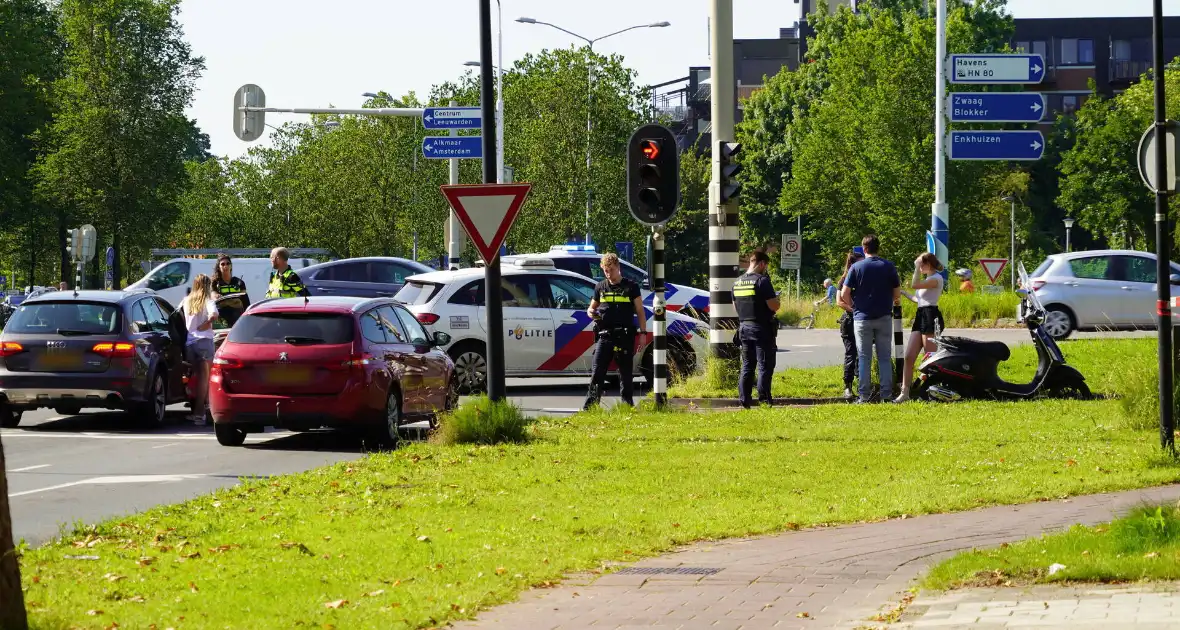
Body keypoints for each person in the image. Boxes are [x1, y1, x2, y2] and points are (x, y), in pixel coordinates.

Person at [838, 235, 901, 404]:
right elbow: (896, 294)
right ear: (878, 248)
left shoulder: (856, 267)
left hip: (862, 319)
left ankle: (864, 396)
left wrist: (855, 307)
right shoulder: (888, 267)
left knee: (864, 357)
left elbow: (844, 294)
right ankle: (886, 395)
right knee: (885, 357)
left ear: (864, 249)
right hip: (884, 317)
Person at [583, 252, 646, 410]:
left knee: (625, 373)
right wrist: (590, 312)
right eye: (605, 270)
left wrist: (643, 334)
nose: (608, 273)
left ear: (618, 267)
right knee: (597, 371)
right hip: (605, 335)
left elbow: (640, 311)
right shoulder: (600, 287)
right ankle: (590, 407)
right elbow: (591, 308)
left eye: (610, 269)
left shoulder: (631, 287)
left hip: (624, 335)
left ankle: (627, 405)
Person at [894, 253, 946, 403]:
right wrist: (904, 294)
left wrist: (916, 266)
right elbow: (919, 299)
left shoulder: (936, 278)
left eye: (922, 264)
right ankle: (905, 392)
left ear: (928, 264)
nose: (920, 267)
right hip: (921, 314)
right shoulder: (928, 280)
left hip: (930, 315)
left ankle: (931, 392)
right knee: (909, 356)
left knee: (930, 357)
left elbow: (914, 284)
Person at [733, 251, 780, 408]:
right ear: (761, 264)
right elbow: (774, 306)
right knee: (765, 366)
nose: (765, 269)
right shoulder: (762, 281)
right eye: (765, 266)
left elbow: (736, 308)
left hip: (744, 328)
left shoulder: (737, 282)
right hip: (761, 329)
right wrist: (777, 301)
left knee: (747, 365)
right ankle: (764, 401)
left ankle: (744, 401)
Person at [182, 274, 218, 425]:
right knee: (206, 379)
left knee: (197, 378)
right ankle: (201, 413)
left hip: (190, 343)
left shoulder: (186, 300)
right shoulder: (208, 300)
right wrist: (207, 323)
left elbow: (179, 318)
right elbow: (215, 314)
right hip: (204, 342)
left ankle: (201, 410)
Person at [835, 250, 865, 399]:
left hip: (863, 319)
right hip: (850, 320)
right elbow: (839, 301)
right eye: (861, 261)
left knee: (863, 354)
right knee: (851, 353)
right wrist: (854, 310)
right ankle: (847, 386)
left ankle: (863, 386)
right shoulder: (844, 279)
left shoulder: (864, 277)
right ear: (853, 263)